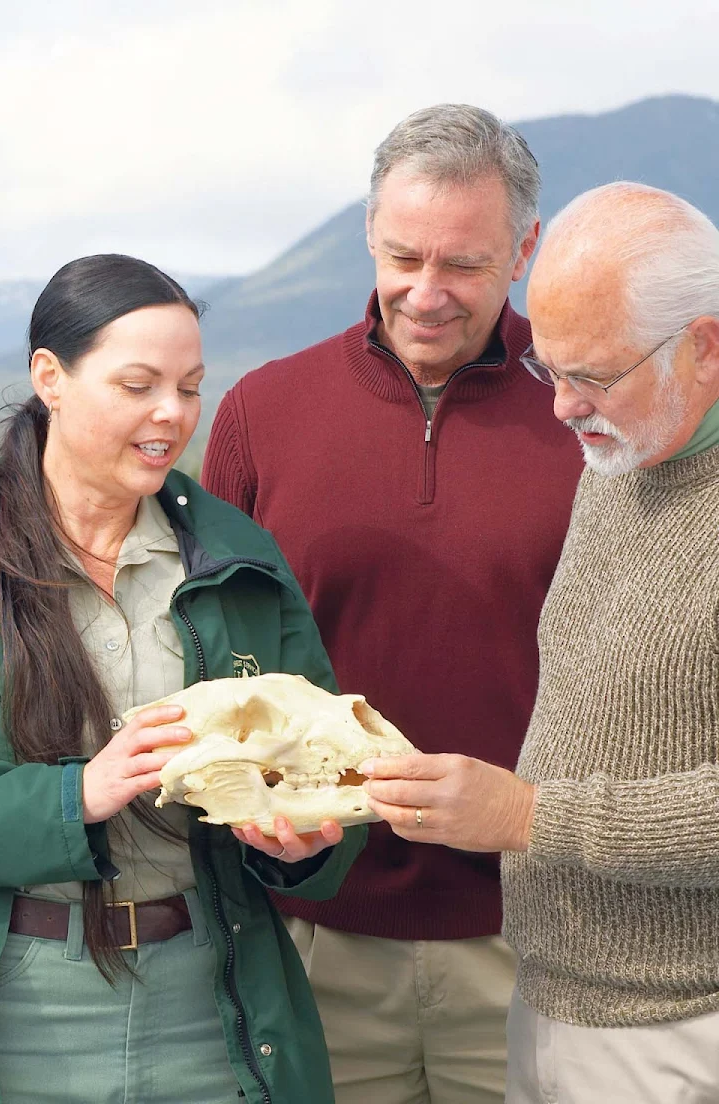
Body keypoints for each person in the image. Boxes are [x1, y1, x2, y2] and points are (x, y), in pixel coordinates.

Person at [0, 254, 367, 1104]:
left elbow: (331, 768)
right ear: (51, 377)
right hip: (6, 1015)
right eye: (139, 384)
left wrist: (304, 840)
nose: (172, 415)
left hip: (211, 1007)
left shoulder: (241, 559)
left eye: (190, 387)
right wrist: (77, 795)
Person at [201, 104, 584, 1103]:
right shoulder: (260, 414)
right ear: (369, 232)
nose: (425, 293)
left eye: (462, 265)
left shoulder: (593, 409)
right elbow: (207, 657)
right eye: (402, 255)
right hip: (314, 936)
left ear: (525, 250)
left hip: (542, 940)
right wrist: (249, 803)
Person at [360, 181, 719, 1103]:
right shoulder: (626, 453)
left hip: (682, 1028)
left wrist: (530, 819)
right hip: (556, 1000)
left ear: (706, 345)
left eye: (591, 377)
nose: (561, 409)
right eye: (546, 370)